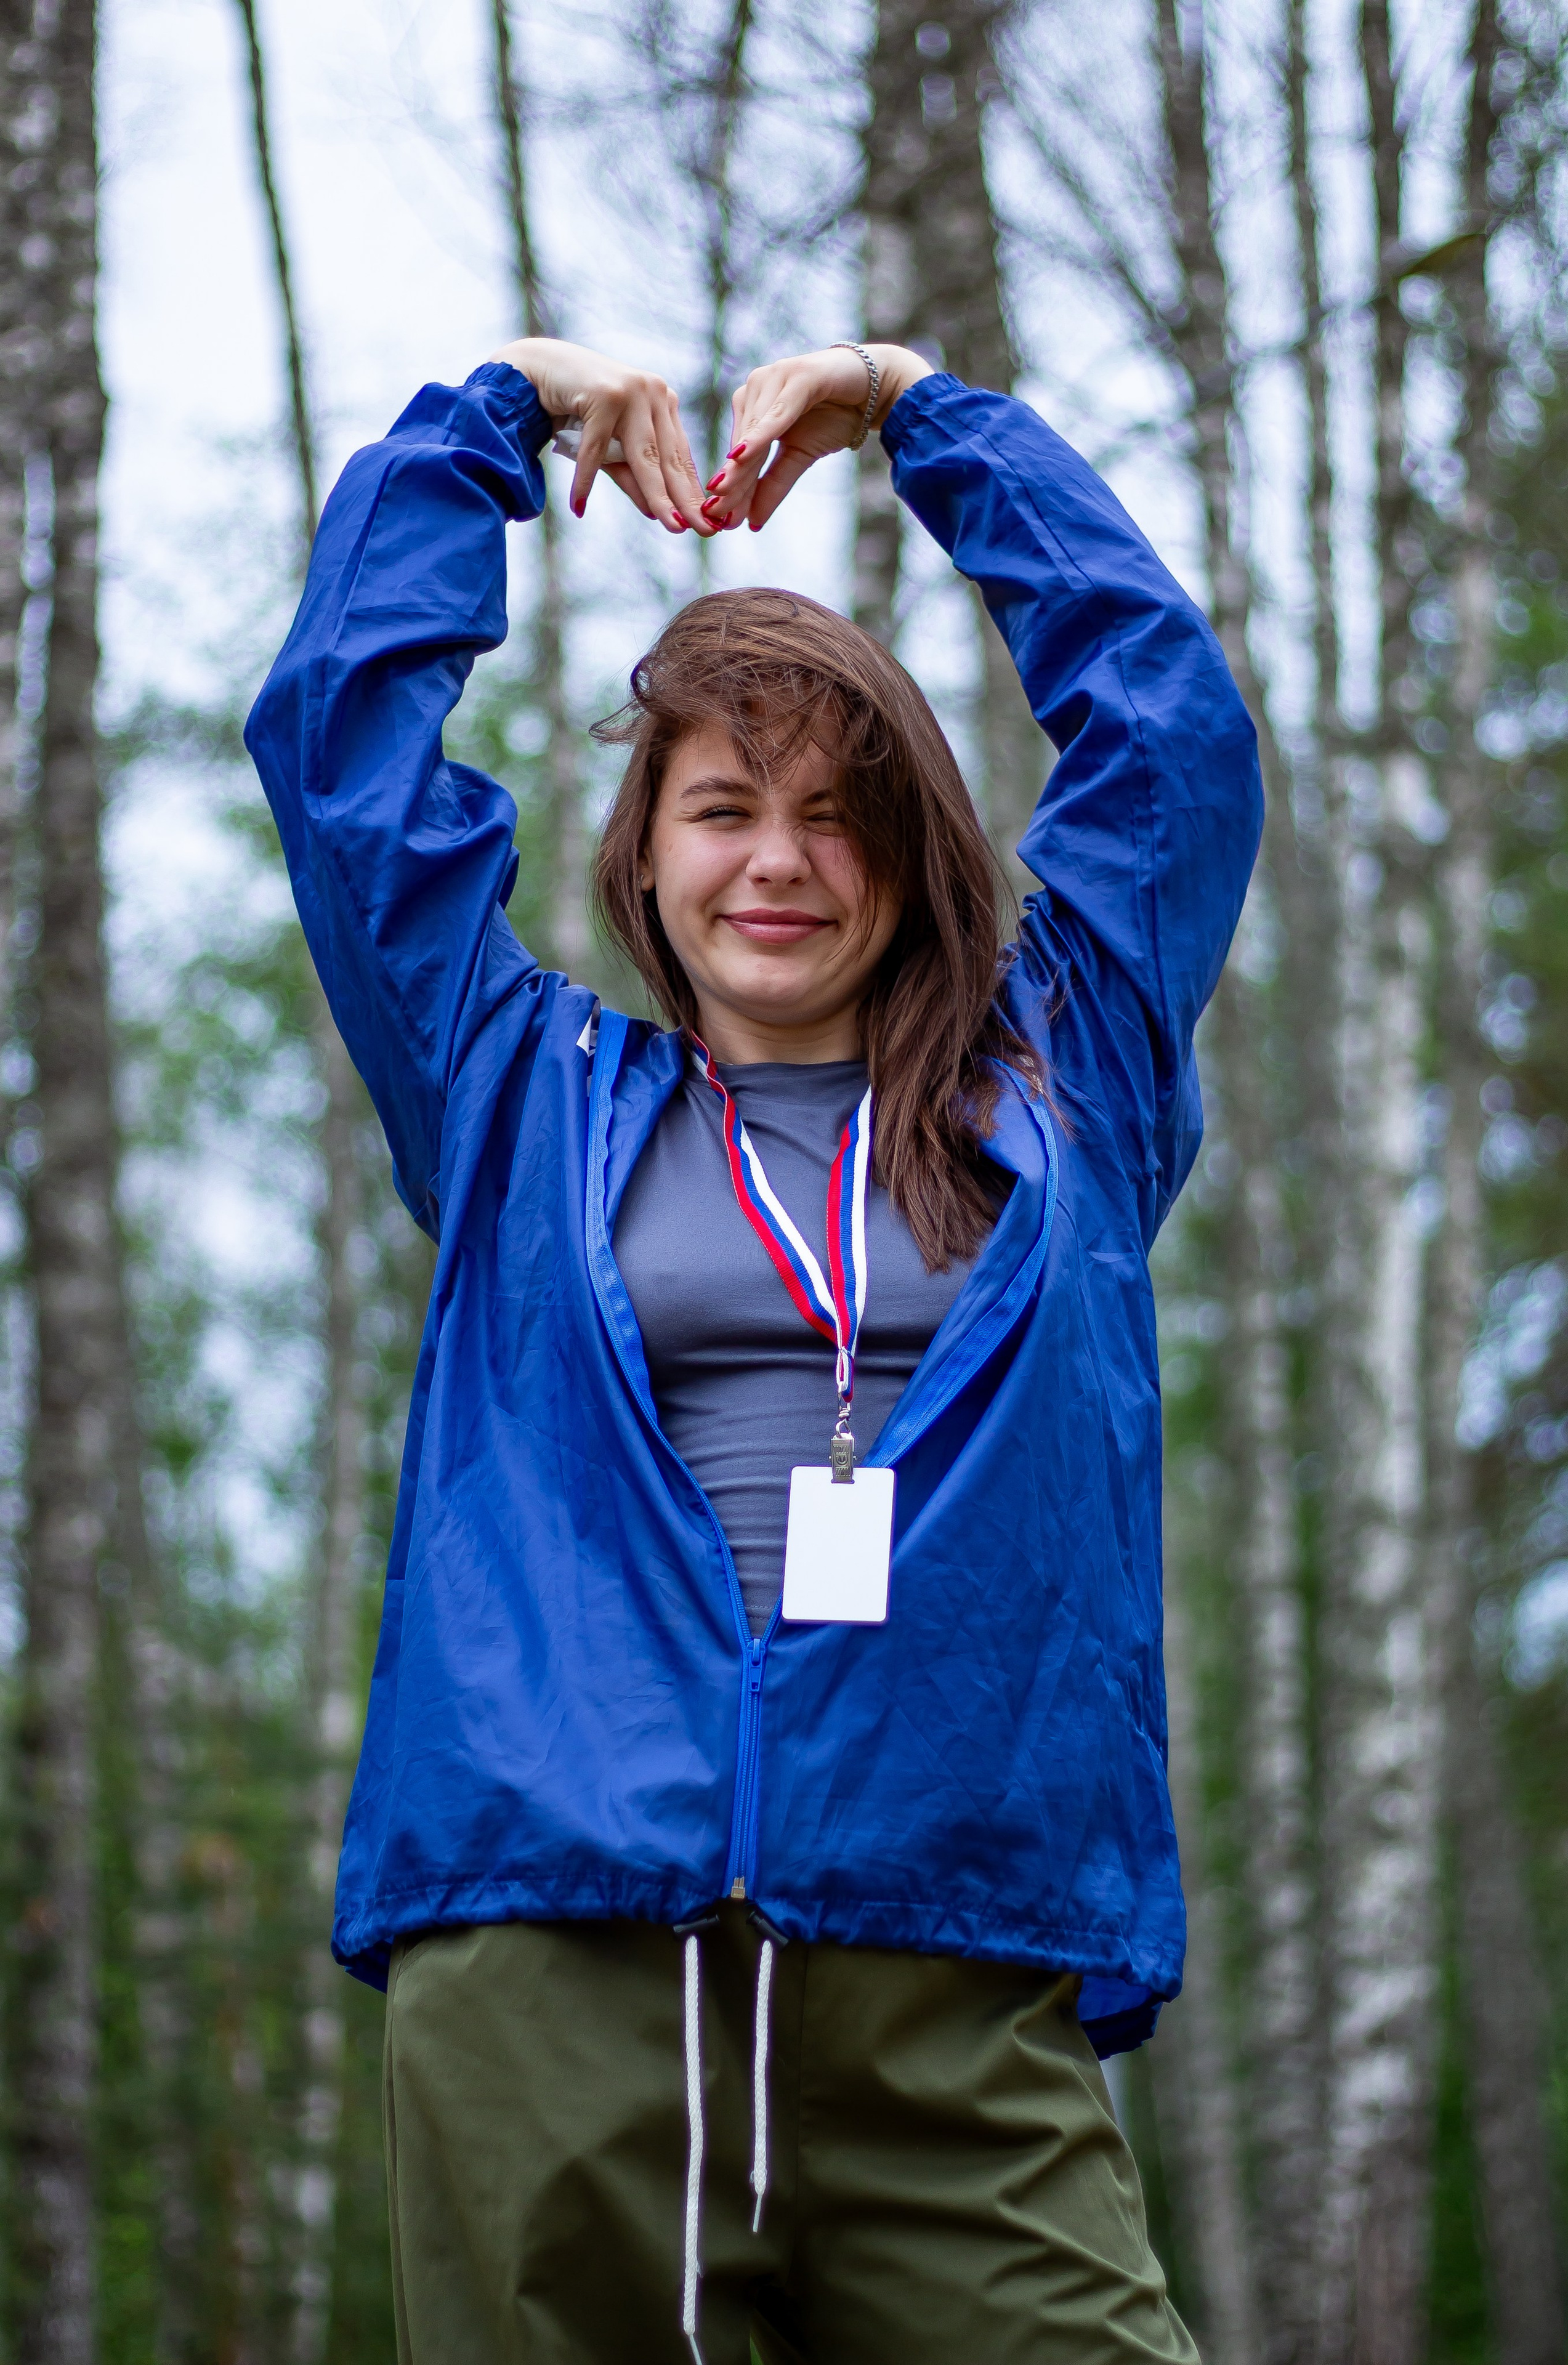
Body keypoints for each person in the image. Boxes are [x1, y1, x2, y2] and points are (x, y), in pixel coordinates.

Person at [246, 333, 1261, 2364]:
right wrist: (496, 417)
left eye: (835, 813)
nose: (778, 861)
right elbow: (342, 747)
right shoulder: (517, 1093)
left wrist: (923, 415)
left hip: (952, 1954)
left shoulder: (1068, 1082)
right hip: (560, 1948)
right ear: (646, 852)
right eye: (722, 809)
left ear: (915, 852)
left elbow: (1172, 729)